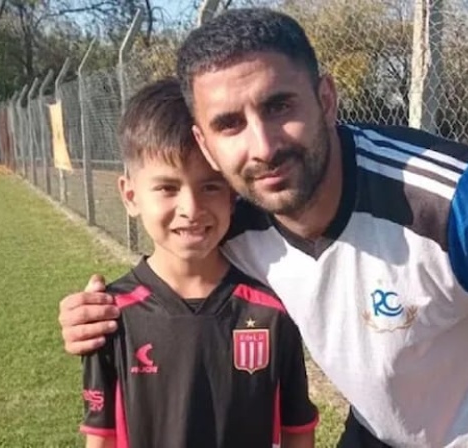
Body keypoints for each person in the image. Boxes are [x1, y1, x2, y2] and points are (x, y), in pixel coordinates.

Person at [59, 8, 468, 448]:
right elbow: (173, 274)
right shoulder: (235, 211)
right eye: (230, 123)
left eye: (279, 106)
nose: (263, 146)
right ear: (206, 144)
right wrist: (93, 313)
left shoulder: (458, 197)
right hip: (375, 433)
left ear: (326, 99)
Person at [78, 77, 318, 448]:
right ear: (130, 196)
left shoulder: (271, 309)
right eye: (167, 188)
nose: (191, 209)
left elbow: (297, 429)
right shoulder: (110, 318)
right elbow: (102, 436)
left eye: (210, 186)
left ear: (233, 194)